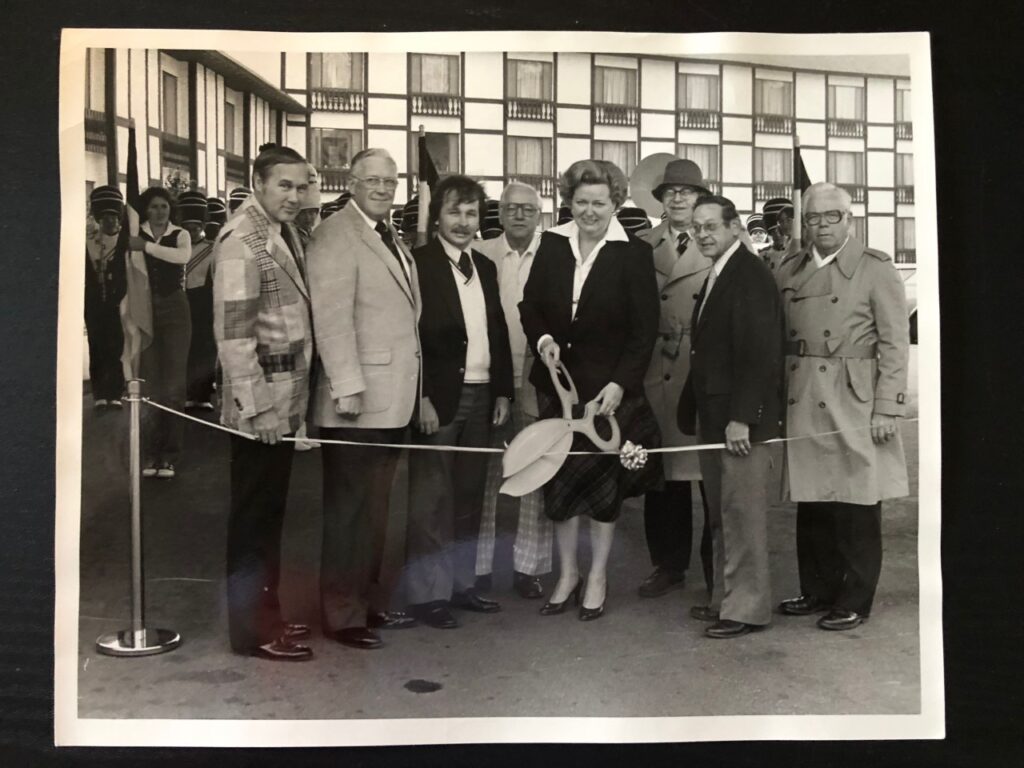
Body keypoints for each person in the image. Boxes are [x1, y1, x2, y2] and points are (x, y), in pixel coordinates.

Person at [519, 159, 661, 621]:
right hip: (556, 390)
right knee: (558, 489)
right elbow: (530, 306)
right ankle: (567, 575)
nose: (590, 211)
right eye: (581, 202)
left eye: (599, 202)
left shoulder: (634, 254)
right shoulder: (552, 244)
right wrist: (542, 341)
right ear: (569, 203)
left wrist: (621, 384)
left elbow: (644, 332)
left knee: (601, 491)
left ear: (615, 202)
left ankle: (596, 576)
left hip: (607, 394)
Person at [775, 182, 910, 631]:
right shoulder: (790, 267)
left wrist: (888, 407)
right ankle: (817, 590)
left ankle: (855, 598)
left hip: (854, 397)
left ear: (849, 219)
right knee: (812, 500)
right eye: (813, 218)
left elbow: (895, 343)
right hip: (802, 392)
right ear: (804, 223)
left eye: (833, 216)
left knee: (855, 502)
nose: (823, 225)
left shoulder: (875, 269)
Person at [306, 148, 422, 650]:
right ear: (350, 183)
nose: (382, 188)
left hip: (389, 398)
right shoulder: (335, 234)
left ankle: (366, 602)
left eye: (389, 182)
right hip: (357, 399)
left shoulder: (386, 234)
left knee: (374, 510)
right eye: (372, 180)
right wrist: (346, 384)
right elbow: (330, 318)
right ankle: (342, 613)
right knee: (350, 510)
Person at [212, 144, 314, 661]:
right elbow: (234, 338)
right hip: (262, 412)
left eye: (301, 186)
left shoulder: (280, 230)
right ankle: (252, 632)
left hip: (282, 405)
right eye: (284, 186)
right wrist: (261, 410)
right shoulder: (240, 241)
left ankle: (267, 616)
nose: (295, 196)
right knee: (253, 522)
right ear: (257, 182)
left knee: (269, 519)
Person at [405, 175, 513, 628]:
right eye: (455, 212)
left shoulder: (484, 266)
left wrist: (503, 388)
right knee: (432, 498)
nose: (464, 222)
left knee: (470, 497)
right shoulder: (419, 264)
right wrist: (421, 397)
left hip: (483, 393)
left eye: (472, 214)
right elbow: (410, 337)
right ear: (437, 218)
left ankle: (462, 585)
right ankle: (428, 596)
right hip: (440, 397)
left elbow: (497, 332)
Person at [677, 194, 785, 639]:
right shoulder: (721, 271)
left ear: (735, 226)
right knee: (723, 512)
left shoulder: (750, 275)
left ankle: (746, 609)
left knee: (741, 514)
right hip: (716, 415)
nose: (703, 234)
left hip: (738, 421)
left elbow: (760, 354)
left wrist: (743, 417)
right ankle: (726, 598)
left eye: (711, 227)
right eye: (696, 228)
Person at [637, 158, 714, 600]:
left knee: (708, 473)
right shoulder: (642, 244)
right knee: (661, 476)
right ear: (661, 199)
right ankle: (667, 564)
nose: (679, 198)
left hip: (700, 370)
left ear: (701, 197)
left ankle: (714, 568)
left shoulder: (719, 240)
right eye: (671, 192)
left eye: (687, 192)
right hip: (656, 370)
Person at [475, 181, 554, 600]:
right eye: (511, 208)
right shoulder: (483, 253)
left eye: (527, 208)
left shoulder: (555, 252)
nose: (519, 214)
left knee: (534, 472)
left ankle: (530, 568)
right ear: (500, 214)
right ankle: (479, 566)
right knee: (486, 473)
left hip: (540, 376)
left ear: (539, 215)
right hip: (491, 378)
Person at [130, 187, 191, 479]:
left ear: (170, 209)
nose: (158, 211)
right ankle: (151, 452)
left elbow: (182, 257)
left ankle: (170, 455)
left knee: (174, 384)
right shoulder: (134, 233)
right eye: (153, 207)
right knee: (151, 382)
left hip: (176, 309)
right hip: (144, 309)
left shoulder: (180, 234)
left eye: (163, 206)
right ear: (145, 209)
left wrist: (145, 247)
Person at [84, 185, 127, 410]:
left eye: (113, 216)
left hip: (118, 303)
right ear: (100, 218)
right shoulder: (89, 241)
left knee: (116, 347)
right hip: (94, 303)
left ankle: (115, 393)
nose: (110, 221)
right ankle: (100, 393)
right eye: (105, 216)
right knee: (97, 346)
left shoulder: (125, 241)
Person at [179, 190, 216, 412]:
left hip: (204, 300)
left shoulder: (212, 248)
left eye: (196, 227)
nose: (192, 232)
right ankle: (187, 392)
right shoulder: (175, 246)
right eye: (188, 228)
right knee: (185, 348)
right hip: (182, 299)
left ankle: (202, 394)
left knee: (205, 348)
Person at [762, 196, 798, 272]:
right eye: (773, 232)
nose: (785, 225)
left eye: (788, 220)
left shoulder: (801, 251)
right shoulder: (763, 255)